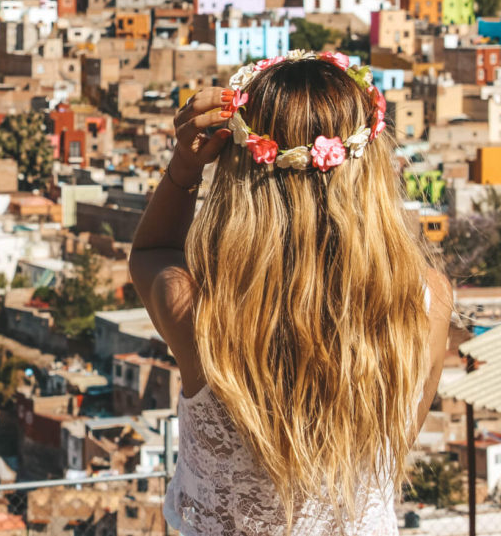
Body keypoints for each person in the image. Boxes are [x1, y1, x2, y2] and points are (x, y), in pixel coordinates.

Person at [128, 52, 452, 535]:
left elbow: (151, 250)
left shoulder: (200, 316)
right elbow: (397, 441)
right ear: (370, 168)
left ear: (241, 174)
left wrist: (185, 166)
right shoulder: (424, 304)